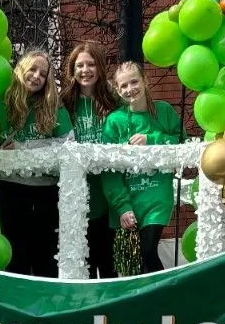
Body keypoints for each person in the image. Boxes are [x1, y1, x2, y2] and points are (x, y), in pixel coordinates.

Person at [100, 61, 185, 276]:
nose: (130, 89)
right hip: (128, 198)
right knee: (133, 263)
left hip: (156, 197)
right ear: (118, 90)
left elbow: (183, 143)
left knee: (148, 250)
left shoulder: (164, 111)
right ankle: (143, 304)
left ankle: (165, 296)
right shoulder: (114, 121)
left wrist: (152, 139)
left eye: (134, 81)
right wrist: (122, 206)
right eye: (124, 86)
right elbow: (108, 169)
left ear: (145, 81)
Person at [0, 48, 71, 278]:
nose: (37, 76)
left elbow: (69, 148)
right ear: (20, 71)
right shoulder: (1, 106)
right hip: (10, 190)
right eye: (32, 69)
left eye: (43, 73)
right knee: (14, 256)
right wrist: (0, 151)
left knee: (45, 257)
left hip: (46, 192)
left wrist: (21, 150)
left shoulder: (54, 108)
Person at [60, 40, 121, 280]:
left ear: (100, 68)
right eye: (80, 65)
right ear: (72, 70)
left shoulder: (113, 98)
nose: (85, 70)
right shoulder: (64, 101)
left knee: (108, 265)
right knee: (82, 264)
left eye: (91, 64)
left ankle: (109, 316)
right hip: (76, 195)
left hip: (108, 192)